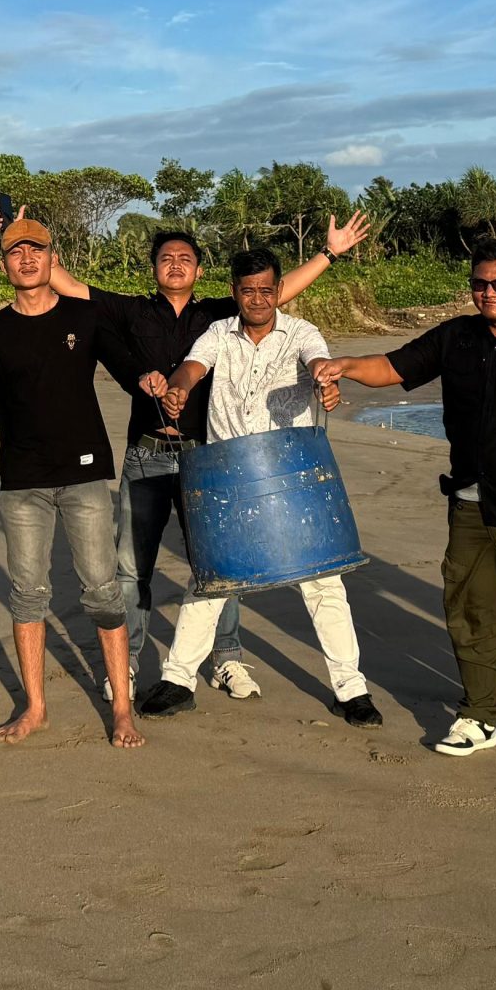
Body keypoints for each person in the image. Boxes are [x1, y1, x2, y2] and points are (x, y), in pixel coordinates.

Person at [315, 237, 496, 782]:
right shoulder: (455, 338)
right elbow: (393, 367)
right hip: (470, 507)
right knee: (472, 619)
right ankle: (480, 716)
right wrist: (345, 365)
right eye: (479, 283)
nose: (489, 293)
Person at [47, 213, 371, 698]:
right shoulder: (133, 311)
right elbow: (70, 286)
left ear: (201, 271)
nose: (176, 264)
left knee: (221, 563)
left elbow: (276, 294)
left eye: (186, 258)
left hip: (210, 460)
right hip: (148, 454)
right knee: (132, 567)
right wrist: (29, 243)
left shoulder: (220, 314)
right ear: (153, 267)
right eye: (167, 258)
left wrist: (329, 253)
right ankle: (129, 663)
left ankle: (228, 659)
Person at [141, 248, 383, 727]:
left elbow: (320, 363)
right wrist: (179, 387)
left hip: (291, 476)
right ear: (235, 292)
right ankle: (178, 680)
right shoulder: (218, 333)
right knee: (211, 578)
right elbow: (193, 367)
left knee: (322, 581)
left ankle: (351, 688)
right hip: (230, 476)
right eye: (248, 290)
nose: (257, 299)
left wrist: (326, 381)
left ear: (278, 291)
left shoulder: (302, 332)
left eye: (266, 290)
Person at [0, 218, 141, 747]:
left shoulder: (84, 317)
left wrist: (162, 384)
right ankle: (35, 708)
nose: (27, 259)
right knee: (27, 594)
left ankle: (122, 709)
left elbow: (131, 373)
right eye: (16, 252)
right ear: (4, 265)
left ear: (52, 259)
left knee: (102, 590)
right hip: (22, 482)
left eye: (35, 250)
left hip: (84, 475)